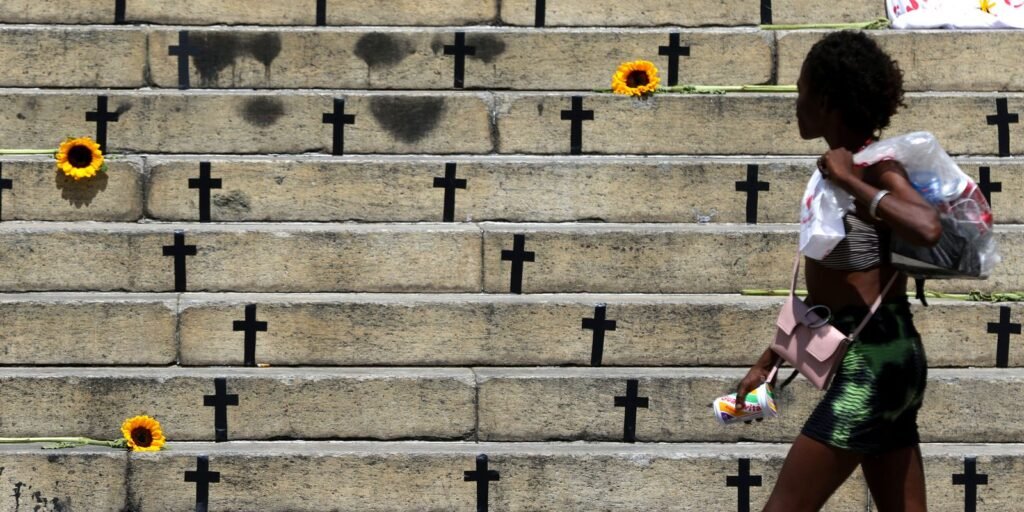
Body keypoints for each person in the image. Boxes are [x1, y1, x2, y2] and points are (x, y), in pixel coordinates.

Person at [735, 31, 942, 511]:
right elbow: (833, 293)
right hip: (884, 356)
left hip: (874, 363)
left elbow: (927, 226)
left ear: (826, 100)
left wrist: (850, 178)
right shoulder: (833, 170)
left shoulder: (873, 167)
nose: (796, 103)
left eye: (802, 91)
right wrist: (769, 360)